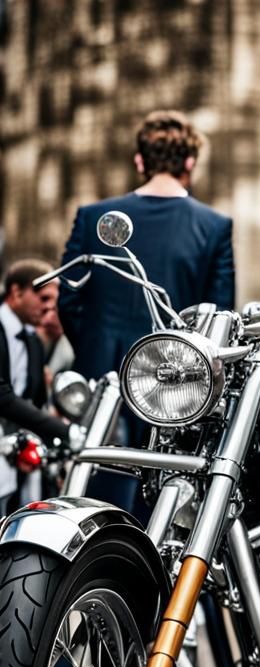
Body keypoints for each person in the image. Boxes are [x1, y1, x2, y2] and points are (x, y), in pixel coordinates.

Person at [58, 109, 235, 512]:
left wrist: (96, 351)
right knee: (158, 509)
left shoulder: (92, 217)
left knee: (87, 502)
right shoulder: (214, 226)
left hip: (103, 387)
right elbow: (218, 319)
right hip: (175, 395)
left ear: (139, 161)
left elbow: (68, 300)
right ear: (190, 162)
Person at [0, 260, 74, 511]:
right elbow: (3, 397)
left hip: (21, 461)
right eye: (43, 297)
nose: (50, 306)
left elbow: (36, 400)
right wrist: (64, 432)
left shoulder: (33, 341)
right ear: (16, 292)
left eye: (54, 300)